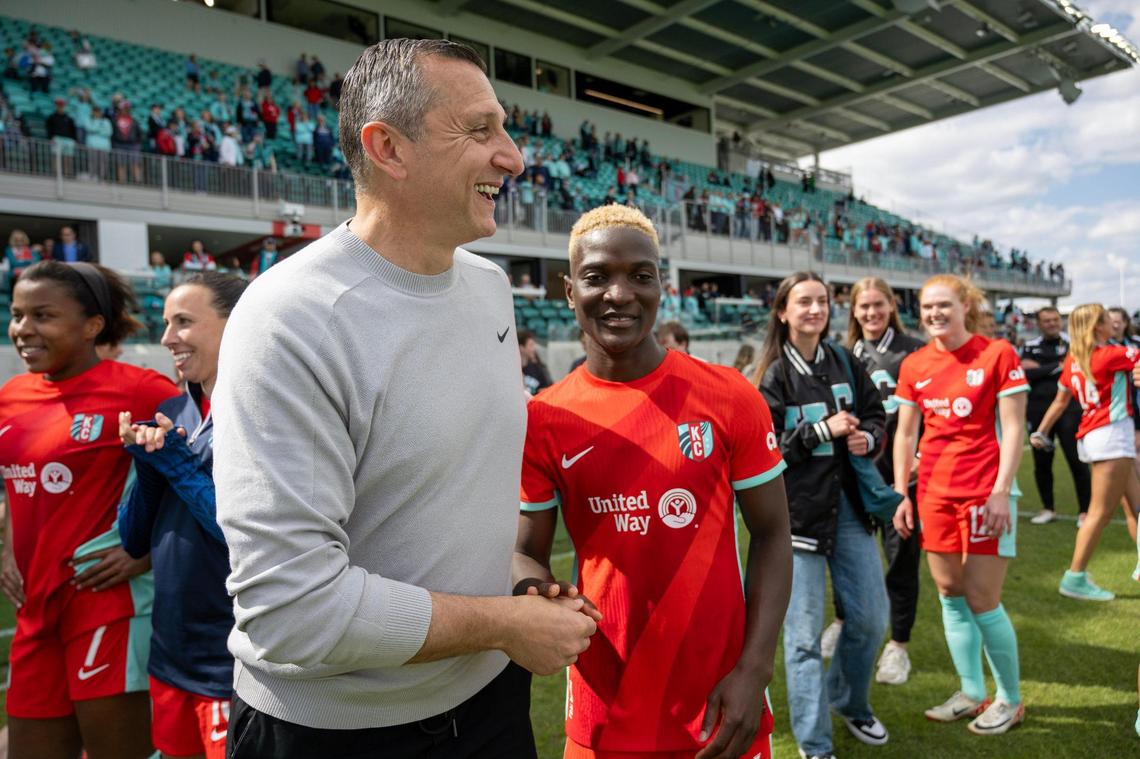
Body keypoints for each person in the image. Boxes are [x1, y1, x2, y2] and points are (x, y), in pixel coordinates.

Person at [212, 38, 595, 758]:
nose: (513, 156)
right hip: (335, 731)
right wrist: (503, 623)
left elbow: (441, 488)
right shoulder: (290, 318)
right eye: (480, 130)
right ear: (387, 147)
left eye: (505, 129)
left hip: (489, 703)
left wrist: (512, 576)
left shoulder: (488, 287)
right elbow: (290, 611)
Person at [515, 205, 791, 759]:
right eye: (597, 277)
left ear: (662, 285)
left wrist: (754, 671)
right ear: (570, 292)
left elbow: (773, 534)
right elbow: (525, 553)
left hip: (720, 704)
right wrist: (534, 595)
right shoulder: (543, 419)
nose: (619, 294)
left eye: (640, 275)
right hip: (603, 710)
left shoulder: (729, 395)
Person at [0, 261, 179, 758]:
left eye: (42, 315)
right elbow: (18, 481)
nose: (23, 330)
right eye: (17, 315)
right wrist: (6, 549)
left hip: (108, 607)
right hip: (34, 612)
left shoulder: (139, 389)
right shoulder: (10, 396)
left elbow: (205, 473)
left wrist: (143, 554)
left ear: (92, 326)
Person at [754, 272, 889, 758]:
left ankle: (850, 701)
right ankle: (815, 746)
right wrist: (819, 431)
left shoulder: (845, 360)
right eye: (804, 301)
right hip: (796, 521)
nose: (815, 309)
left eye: (822, 301)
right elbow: (764, 453)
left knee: (872, 619)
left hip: (850, 510)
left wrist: (867, 437)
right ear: (783, 311)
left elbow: (877, 416)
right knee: (803, 640)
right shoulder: (772, 374)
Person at [118, 273, 248, 759]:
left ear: (236, 324)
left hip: (229, 661)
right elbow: (133, 541)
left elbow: (241, 538)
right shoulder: (174, 408)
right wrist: (151, 464)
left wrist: (173, 460)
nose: (167, 337)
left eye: (185, 322)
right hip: (169, 652)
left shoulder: (258, 411)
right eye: (168, 321)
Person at [892, 274, 1028, 735]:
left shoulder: (997, 354)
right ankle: (972, 692)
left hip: (986, 496)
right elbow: (906, 434)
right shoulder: (914, 364)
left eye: (944, 305)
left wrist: (1000, 491)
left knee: (982, 599)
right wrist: (900, 494)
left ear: (966, 305)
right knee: (950, 596)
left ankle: (1010, 699)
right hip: (933, 494)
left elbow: (1013, 430)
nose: (934, 314)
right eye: (927, 306)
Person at [823, 277, 925, 687]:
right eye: (863, 307)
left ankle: (898, 645)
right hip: (854, 473)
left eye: (878, 305)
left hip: (898, 469)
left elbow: (927, 409)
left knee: (900, 555)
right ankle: (843, 618)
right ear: (853, 312)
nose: (870, 313)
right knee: (845, 549)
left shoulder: (913, 350)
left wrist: (920, 453)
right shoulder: (844, 353)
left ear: (891, 307)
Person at [1030, 304, 1140, 601]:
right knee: (1099, 513)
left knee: (1136, 507)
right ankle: (1075, 576)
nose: (1114, 324)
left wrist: (1041, 430)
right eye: (1107, 320)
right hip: (1112, 436)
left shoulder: (1075, 359)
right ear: (1097, 327)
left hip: (1101, 436)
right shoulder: (1110, 354)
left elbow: (1059, 401)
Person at [1020, 307, 1091, 525]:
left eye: (1054, 320)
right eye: (1046, 321)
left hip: (1070, 410)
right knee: (1042, 462)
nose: (1051, 324)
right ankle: (1048, 508)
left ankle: (1085, 511)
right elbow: (1024, 372)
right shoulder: (1030, 346)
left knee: (1076, 460)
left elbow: (1078, 369)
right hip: (1038, 411)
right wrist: (1057, 366)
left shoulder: (1073, 344)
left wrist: (1042, 368)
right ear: (1039, 324)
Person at [518, 328, 552, 395]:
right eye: (531, 345)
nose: (533, 349)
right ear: (521, 348)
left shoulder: (538, 368)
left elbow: (548, 388)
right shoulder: (513, 371)